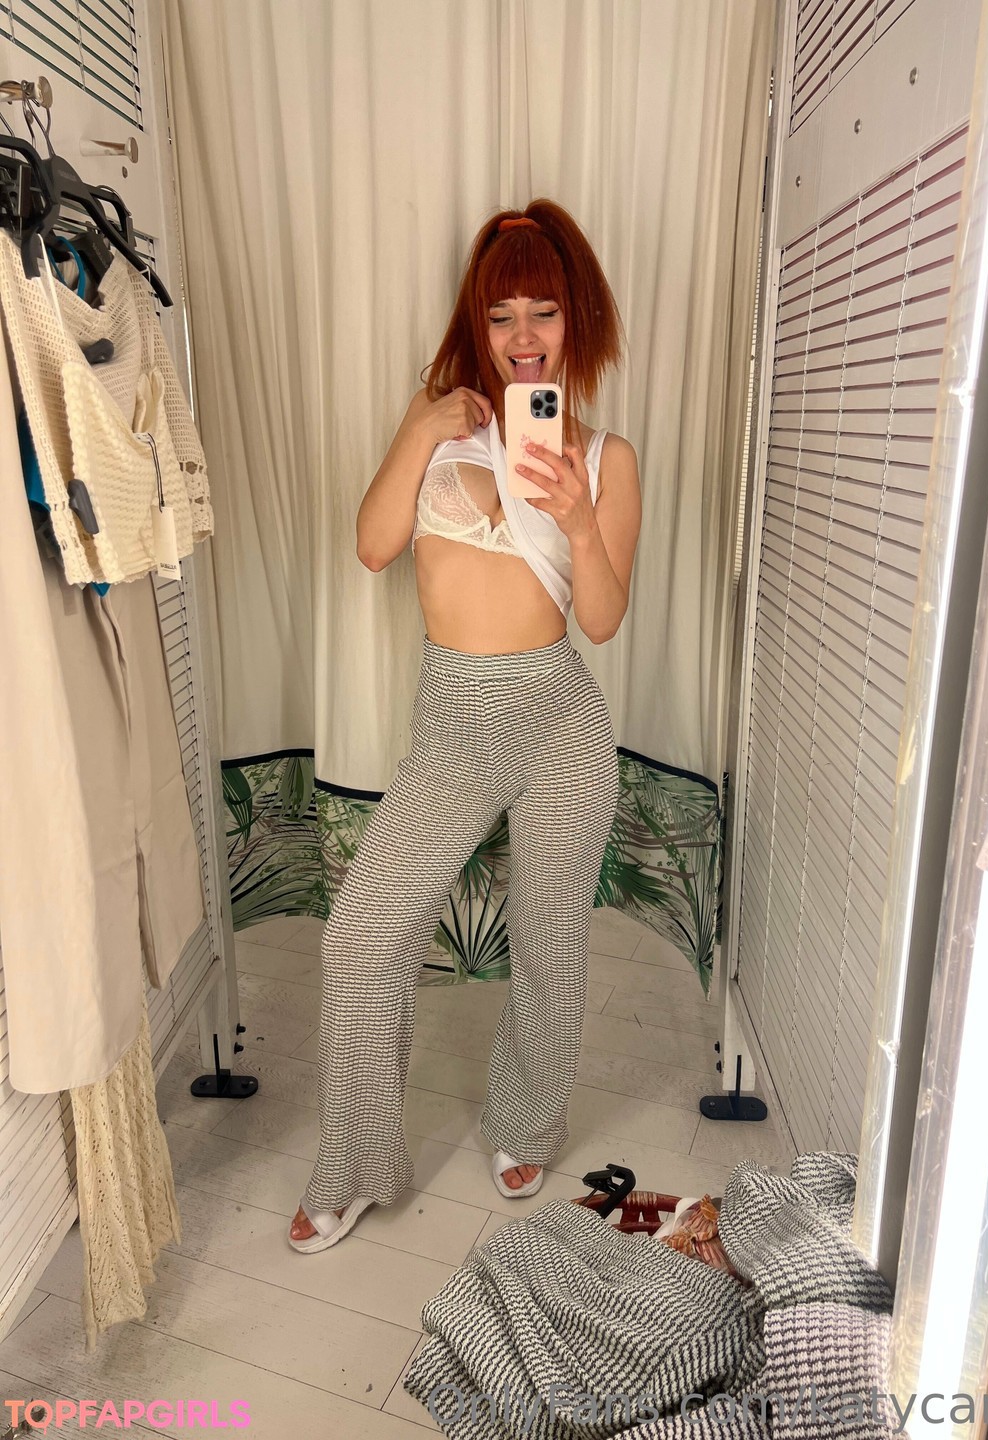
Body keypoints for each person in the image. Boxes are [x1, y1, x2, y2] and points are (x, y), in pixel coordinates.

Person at [289, 199, 642, 1252]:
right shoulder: (437, 425)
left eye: (545, 311)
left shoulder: (606, 456)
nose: (523, 335)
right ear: (475, 325)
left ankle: (528, 1121)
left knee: (549, 940)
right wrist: (417, 431)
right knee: (361, 935)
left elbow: (603, 619)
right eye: (500, 315)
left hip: (560, 719)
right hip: (453, 723)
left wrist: (577, 518)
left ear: (577, 322)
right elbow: (372, 546)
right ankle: (356, 1162)